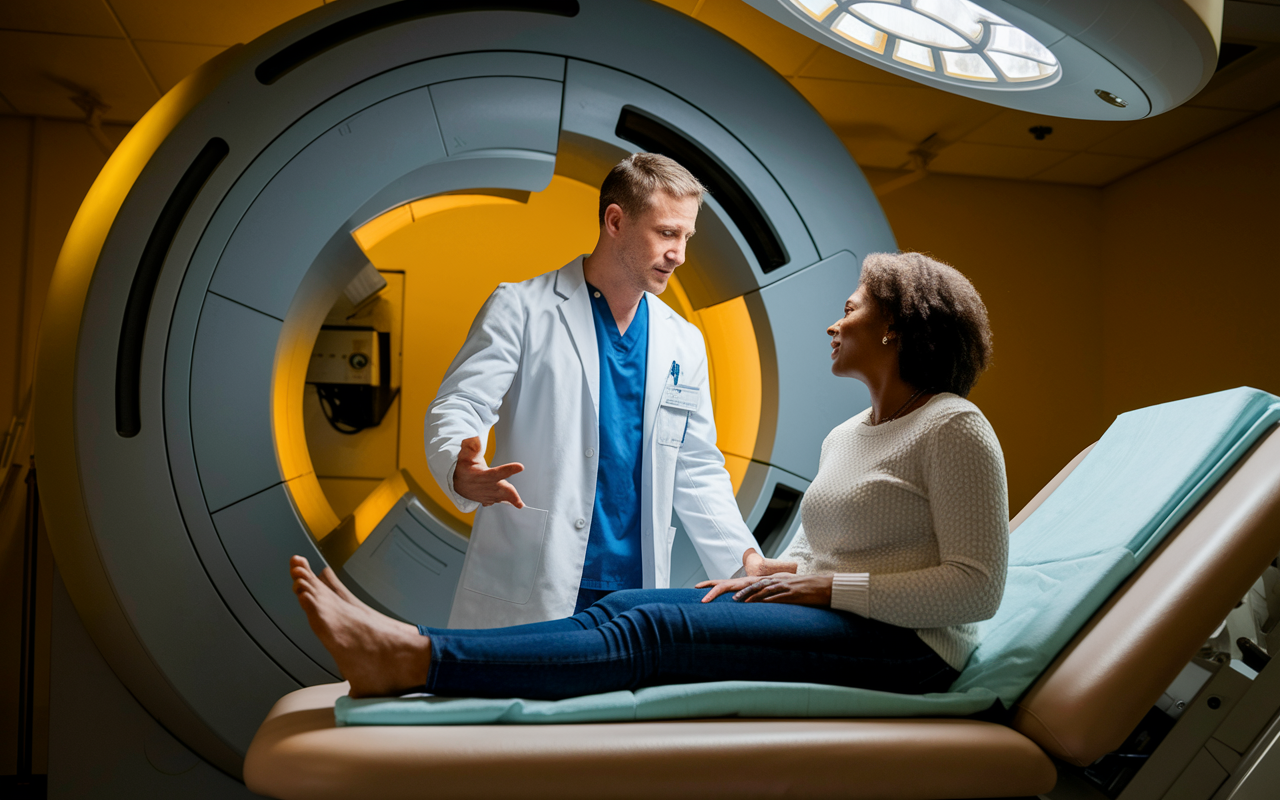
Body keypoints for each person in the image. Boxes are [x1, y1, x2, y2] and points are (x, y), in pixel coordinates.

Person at [292, 251, 1009, 699]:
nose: (834, 324)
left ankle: (413, 656)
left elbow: (976, 589)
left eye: (849, 309)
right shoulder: (845, 436)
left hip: (911, 652)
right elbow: (843, 556)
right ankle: (411, 647)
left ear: (894, 329)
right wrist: (779, 571)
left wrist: (822, 586)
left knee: (657, 629)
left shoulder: (954, 427)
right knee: (626, 608)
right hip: (841, 618)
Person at [425, 153, 778, 629]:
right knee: (519, 699)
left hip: (634, 586)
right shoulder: (522, 308)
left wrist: (744, 557)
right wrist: (459, 467)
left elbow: (695, 465)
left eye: (687, 237)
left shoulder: (683, 340)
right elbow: (462, 403)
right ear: (615, 220)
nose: (680, 254)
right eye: (667, 233)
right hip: (536, 574)